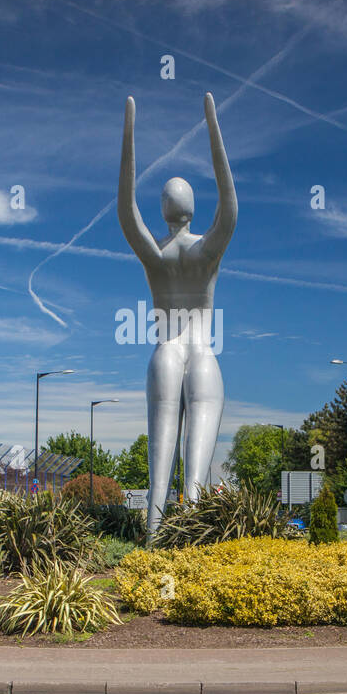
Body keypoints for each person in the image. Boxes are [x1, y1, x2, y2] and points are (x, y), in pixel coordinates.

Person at [118, 93, 236, 532]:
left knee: (158, 478)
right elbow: (230, 209)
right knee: (196, 480)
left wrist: (128, 134)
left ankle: (152, 543)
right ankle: (189, 548)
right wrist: (213, 130)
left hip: (165, 352)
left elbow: (127, 212)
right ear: (191, 210)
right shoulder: (206, 251)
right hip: (202, 353)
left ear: (164, 210)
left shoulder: (156, 255)